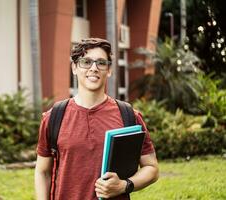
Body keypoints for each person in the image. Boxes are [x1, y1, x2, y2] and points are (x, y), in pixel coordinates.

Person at [35, 38, 159, 200]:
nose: (93, 68)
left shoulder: (129, 116)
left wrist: (124, 185)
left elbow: (151, 168)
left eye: (101, 63)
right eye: (86, 62)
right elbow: (42, 171)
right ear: (74, 67)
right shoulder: (54, 117)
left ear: (109, 70)